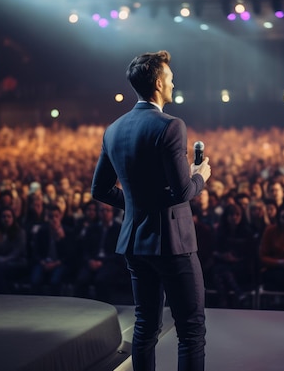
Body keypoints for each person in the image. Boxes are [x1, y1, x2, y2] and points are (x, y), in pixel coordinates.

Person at [91, 50, 211, 371]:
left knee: (145, 326)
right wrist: (200, 176)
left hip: (133, 242)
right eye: (170, 78)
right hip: (173, 244)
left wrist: (137, 203)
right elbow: (183, 191)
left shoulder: (113, 129)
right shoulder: (170, 126)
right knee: (191, 330)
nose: (174, 83)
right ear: (158, 83)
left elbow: (99, 190)